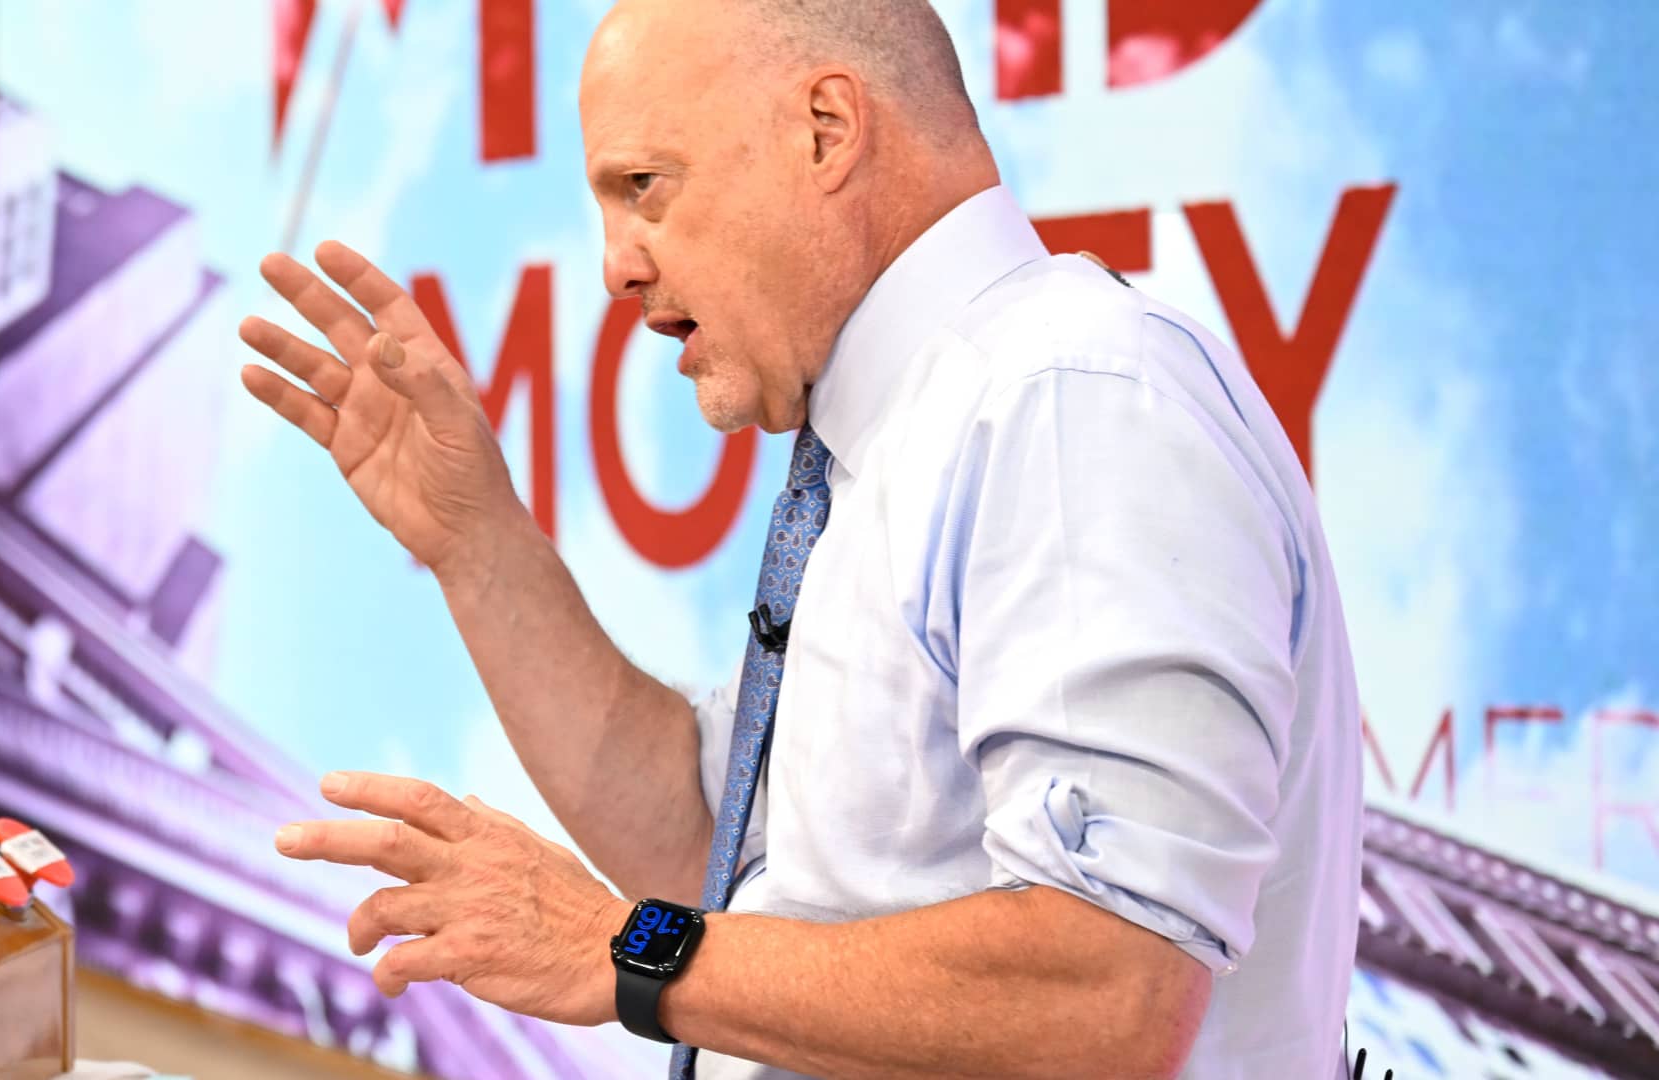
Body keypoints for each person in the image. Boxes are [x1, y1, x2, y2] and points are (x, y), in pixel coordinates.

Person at [244, 0, 1364, 1076]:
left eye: (644, 187)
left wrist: (621, 950)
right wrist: (475, 541)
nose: (616, 267)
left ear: (826, 129)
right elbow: (717, 850)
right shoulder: (909, 429)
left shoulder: (1069, 400)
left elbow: (1107, 993)